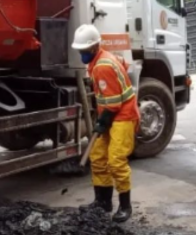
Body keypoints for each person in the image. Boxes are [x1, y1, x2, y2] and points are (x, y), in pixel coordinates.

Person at [71, 24, 140, 223]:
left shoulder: (102, 66)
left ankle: (125, 206)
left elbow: (115, 103)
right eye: (80, 50)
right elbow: (124, 66)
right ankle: (102, 202)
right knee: (98, 155)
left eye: (83, 50)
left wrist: (101, 123)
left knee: (116, 160)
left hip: (123, 115)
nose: (81, 53)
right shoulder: (102, 59)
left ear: (93, 47)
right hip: (109, 114)